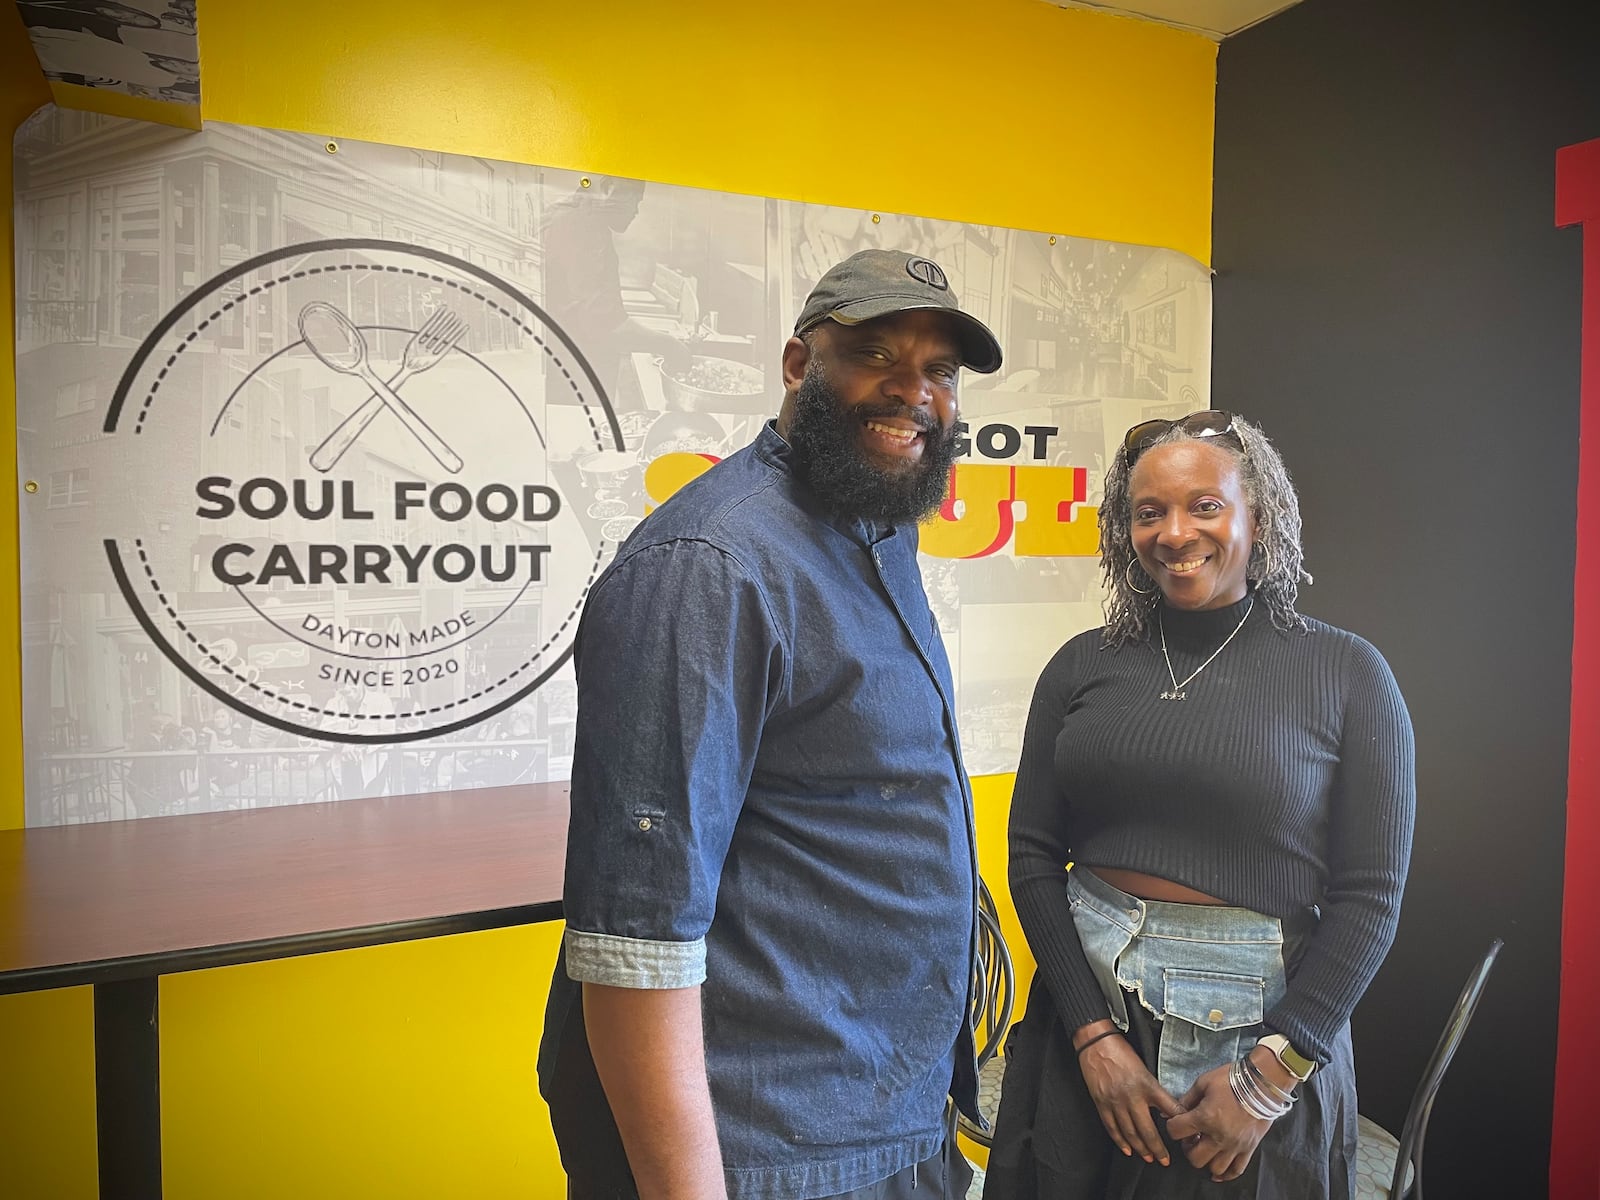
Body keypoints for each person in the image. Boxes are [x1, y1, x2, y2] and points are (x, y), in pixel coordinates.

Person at [537, 248, 1004, 1200]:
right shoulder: (713, 564)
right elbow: (636, 942)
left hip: (884, 1111)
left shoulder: (872, 533)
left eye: (939, 372)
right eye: (877, 355)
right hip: (769, 1149)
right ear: (799, 365)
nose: (913, 393)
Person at [985, 411, 1415, 1199]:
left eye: (1204, 506)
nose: (1174, 533)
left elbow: (1371, 898)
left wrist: (1267, 1080)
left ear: (1259, 515)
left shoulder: (1348, 672)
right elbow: (1033, 857)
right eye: (1148, 512)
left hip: (1259, 1048)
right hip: (1086, 1026)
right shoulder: (1082, 665)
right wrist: (1092, 1037)